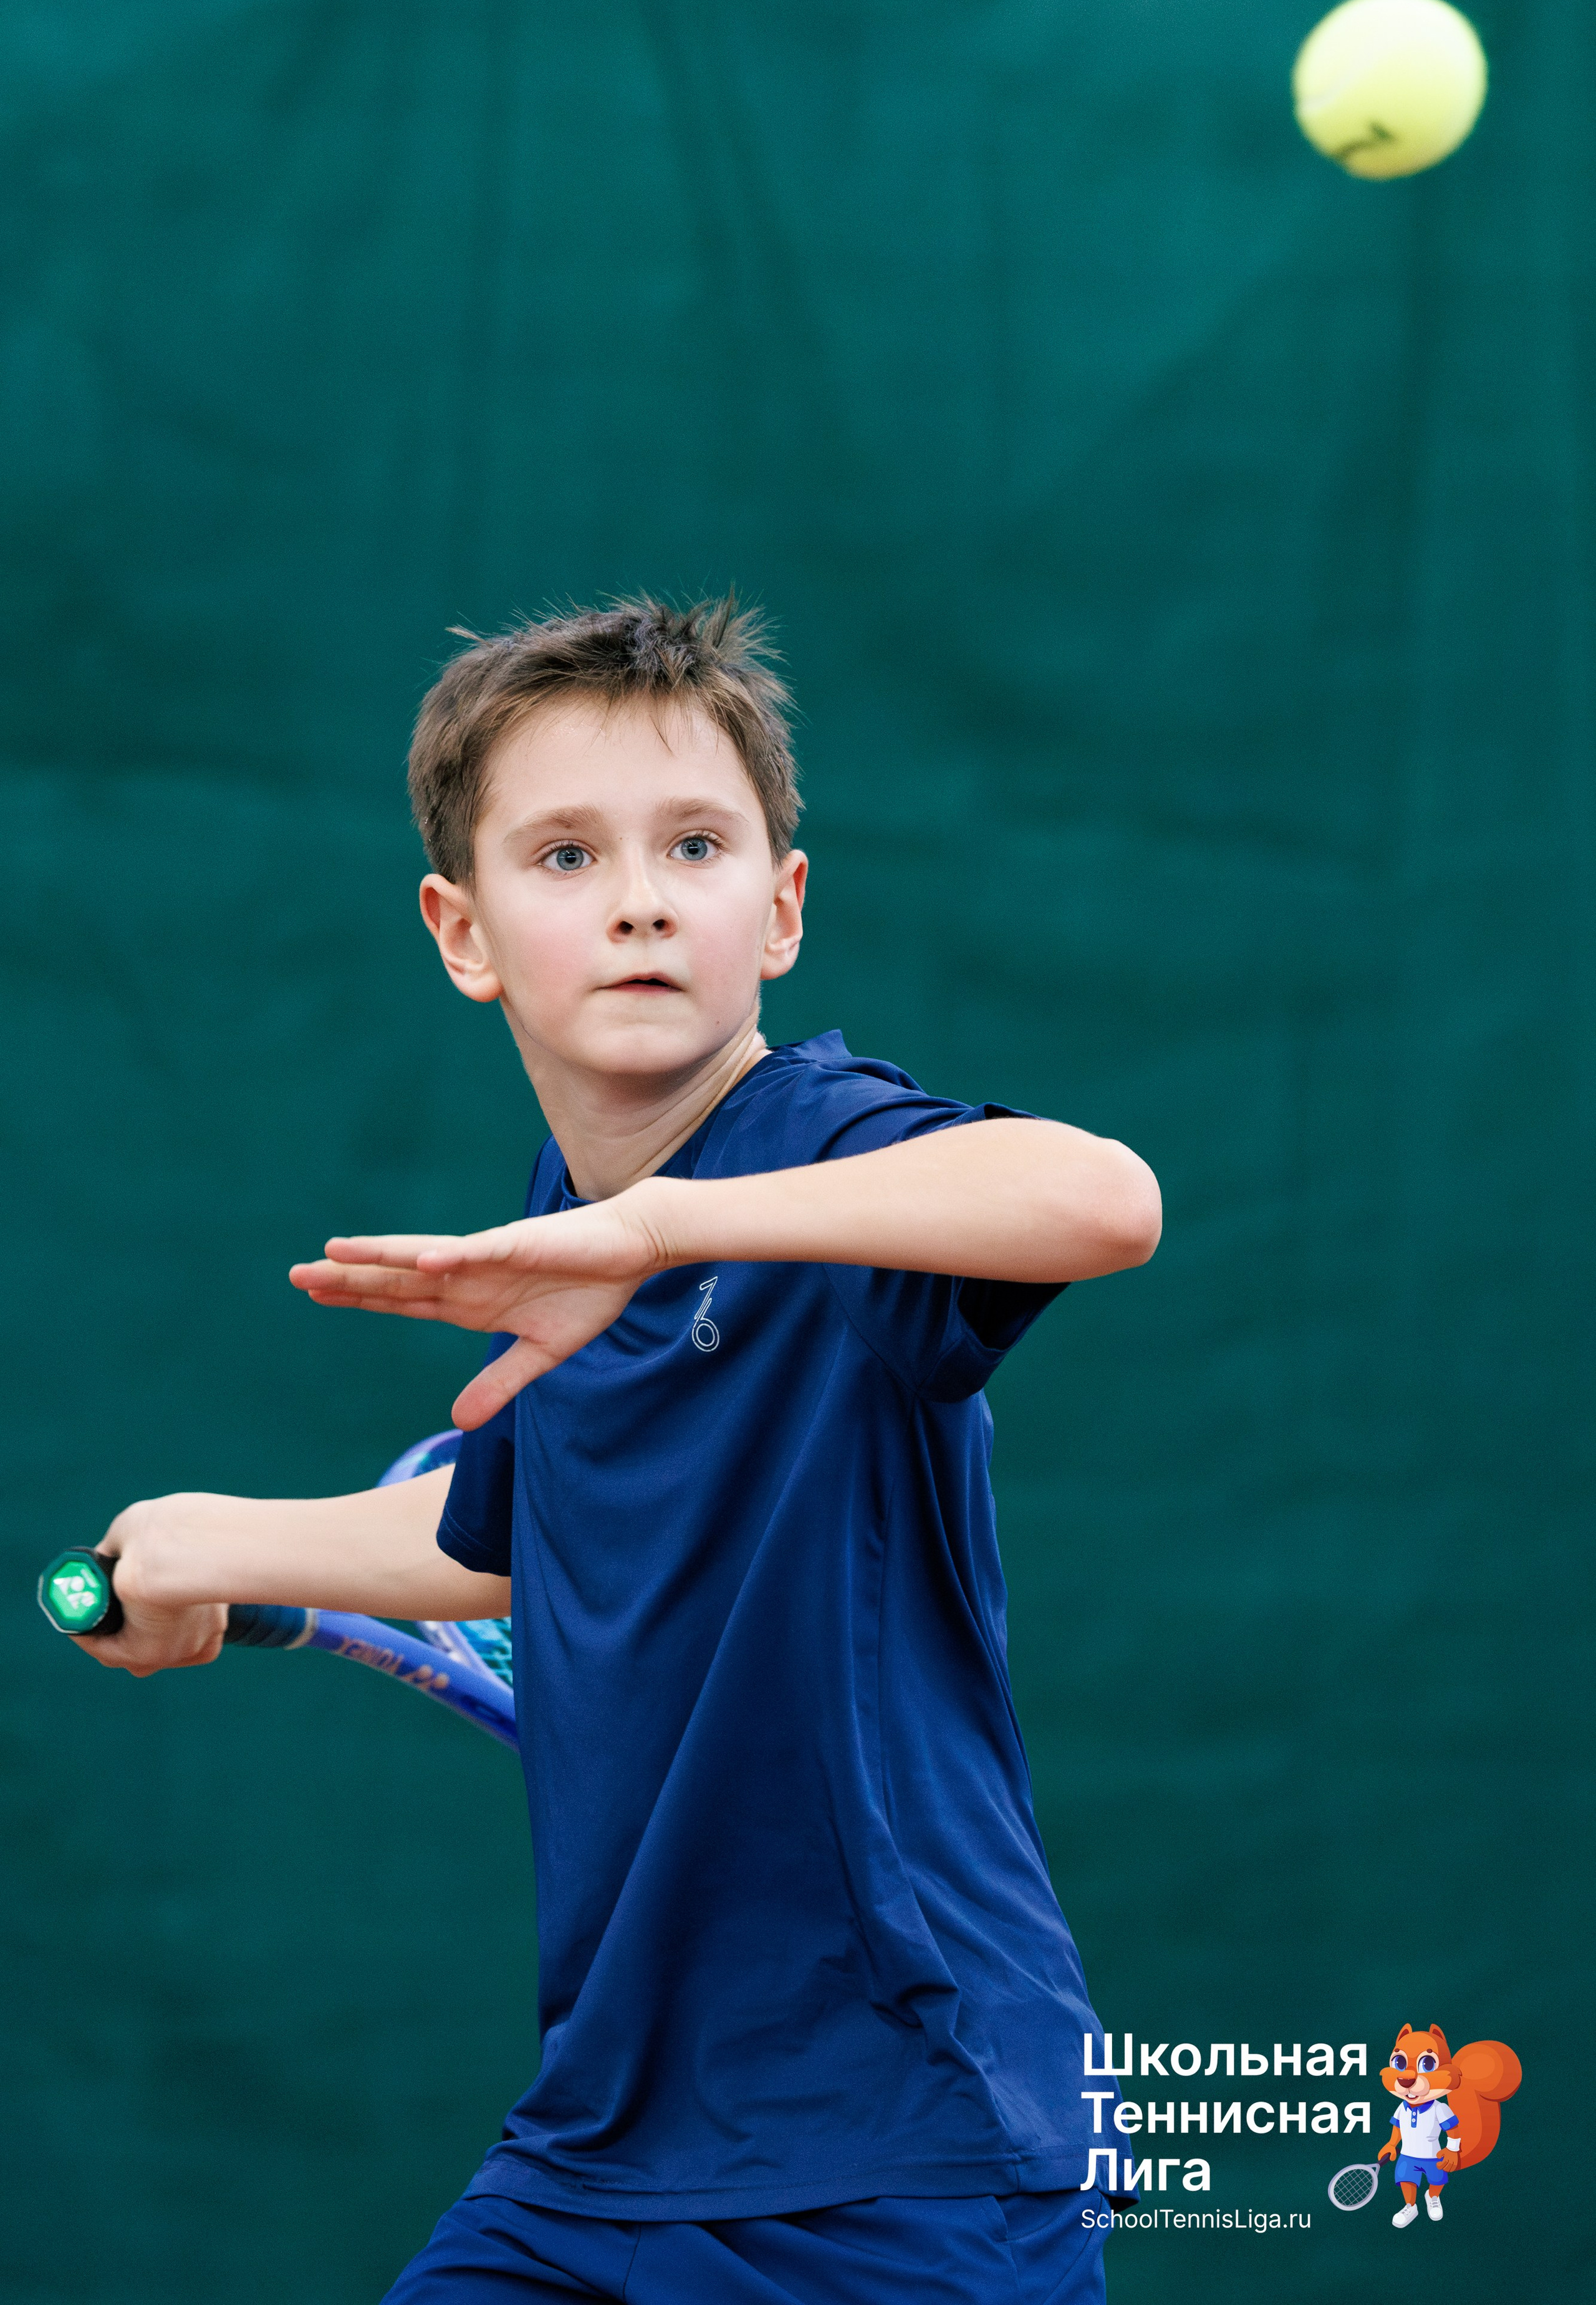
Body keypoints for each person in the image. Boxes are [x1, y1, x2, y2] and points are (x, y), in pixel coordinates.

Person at [77, 599, 1161, 2303]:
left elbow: (1106, 1200)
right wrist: (204, 1541)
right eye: (567, 856)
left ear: (782, 908)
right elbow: (490, 1549)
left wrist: (666, 1226)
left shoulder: (817, 1145)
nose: (642, 896)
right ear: (465, 933)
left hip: (910, 2146)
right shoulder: (556, 1224)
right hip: (600, 2151)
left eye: (697, 845)